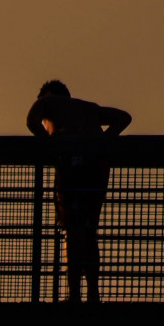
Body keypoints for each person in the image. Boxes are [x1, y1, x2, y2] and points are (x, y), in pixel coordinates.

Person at [26, 80, 131, 305]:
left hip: (73, 165)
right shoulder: (87, 108)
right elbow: (124, 118)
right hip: (97, 168)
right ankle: (93, 295)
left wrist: (50, 145)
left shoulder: (47, 102)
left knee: (72, 231)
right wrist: (101, 142)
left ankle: (74, 296)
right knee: (88, 231)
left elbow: (30, 121)